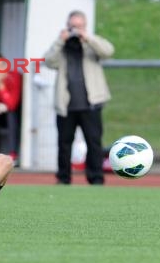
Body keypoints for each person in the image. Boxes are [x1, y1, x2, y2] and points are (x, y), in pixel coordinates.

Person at [43, 10, 114, 185]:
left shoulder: (91, 44)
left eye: (79, 26)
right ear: (67, 26)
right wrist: (62, 40)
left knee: (94, 142)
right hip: (66, 104)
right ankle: (63, 178)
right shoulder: (62, 46)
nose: (76, 30)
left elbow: (108, 51)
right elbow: (48, 61)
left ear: (85, 26)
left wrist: (87, 38)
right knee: (64, 144)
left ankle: (96, 178)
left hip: (91, 103)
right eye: (73, 26)